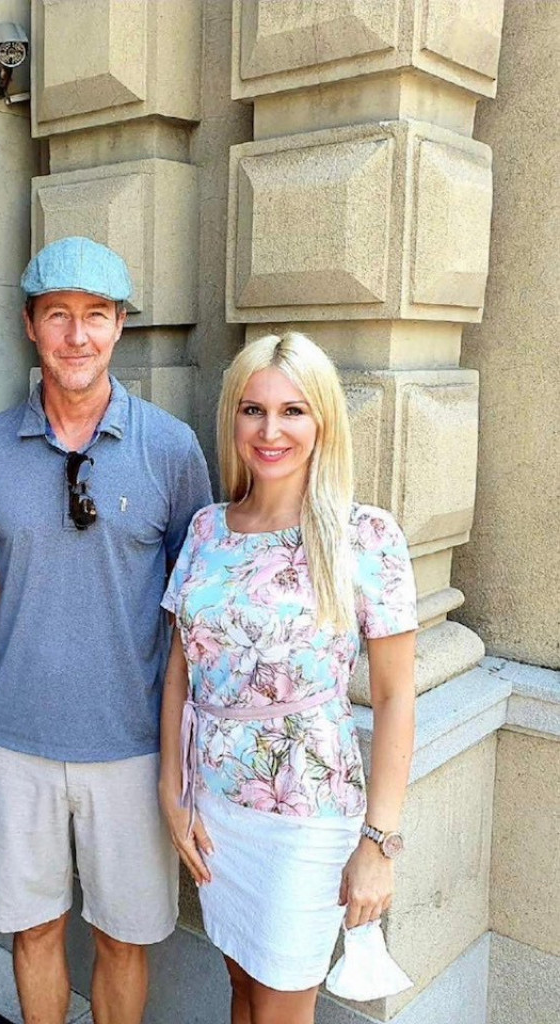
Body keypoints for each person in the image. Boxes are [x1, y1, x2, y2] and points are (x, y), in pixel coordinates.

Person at [0, 236, 212, 1024]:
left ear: (120, 326)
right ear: (30, 325)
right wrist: (48, 631)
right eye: (57, 315)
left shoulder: (171, 449)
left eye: (96, 315)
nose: (77, 335)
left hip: (133, 743)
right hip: (17, 738)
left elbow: (191, 595)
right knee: (33, 929)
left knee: (123, 938)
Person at [159, 332, 417, 1024]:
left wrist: (379, 844)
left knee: (281, 1004)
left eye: (292, 411)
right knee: (242, 988)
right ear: (233, 419)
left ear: (322, 420)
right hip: (215, 807)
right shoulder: (207, 530)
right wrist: (172, 792)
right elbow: (180, 670)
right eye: (253, 410)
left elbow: (395, 696)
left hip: (306, 814)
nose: (270, 431)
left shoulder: (366, 536)